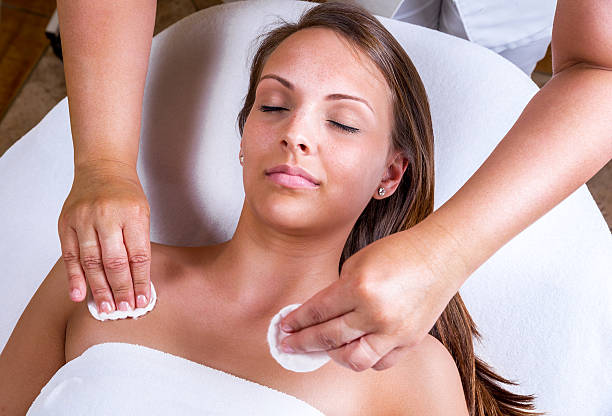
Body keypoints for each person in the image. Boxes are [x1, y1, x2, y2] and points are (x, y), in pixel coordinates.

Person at [0, 3, 545, 414]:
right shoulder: (102, 274)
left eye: (343, 122)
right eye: (275, 105)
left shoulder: (409, 372)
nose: (295, 133)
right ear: (243, 136)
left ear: (390, 175)